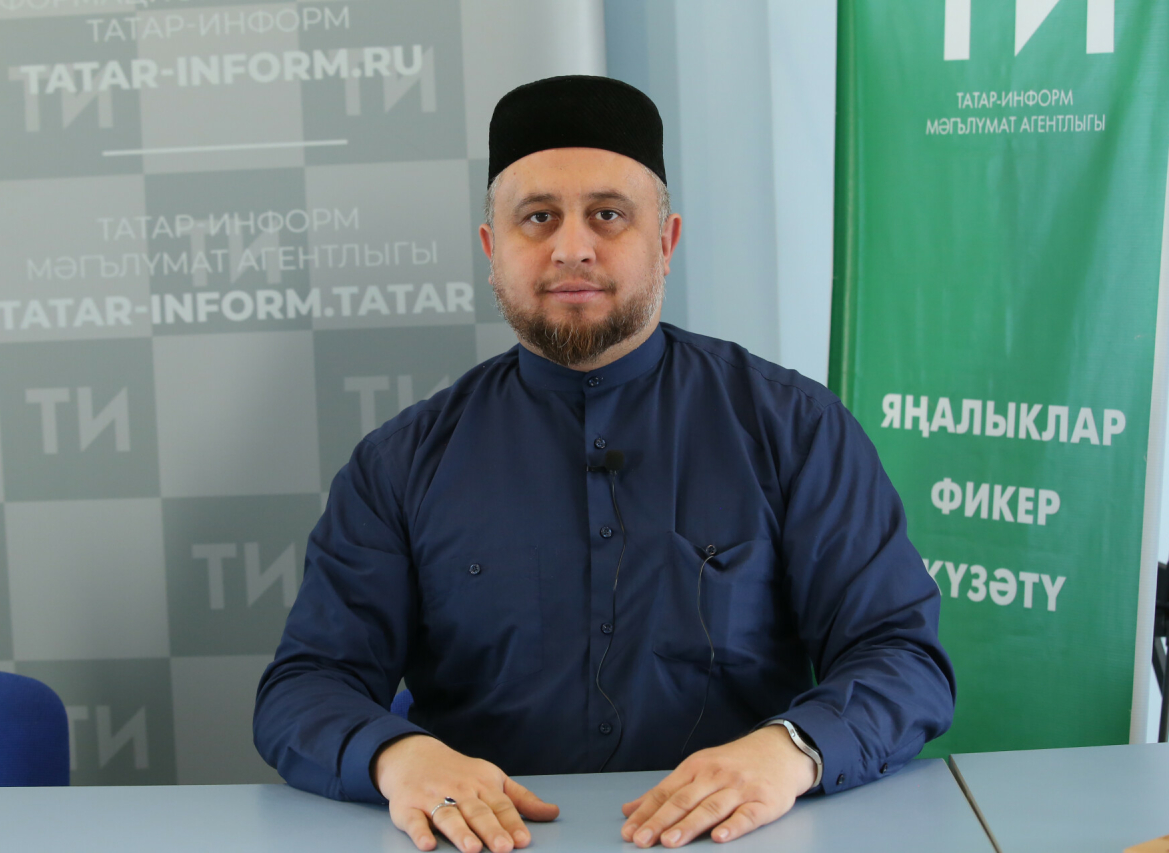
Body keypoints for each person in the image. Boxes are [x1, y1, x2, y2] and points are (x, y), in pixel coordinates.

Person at [254, 75, 955, 851]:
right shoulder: (401, 462)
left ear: (667, 240)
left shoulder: (797, 429)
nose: (572, 247)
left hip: (737, 838)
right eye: (537, 217)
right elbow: (305, 687)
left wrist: (792, 748)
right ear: (492, 250)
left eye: (608, 214)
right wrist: (398, 756)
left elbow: (902, 657)